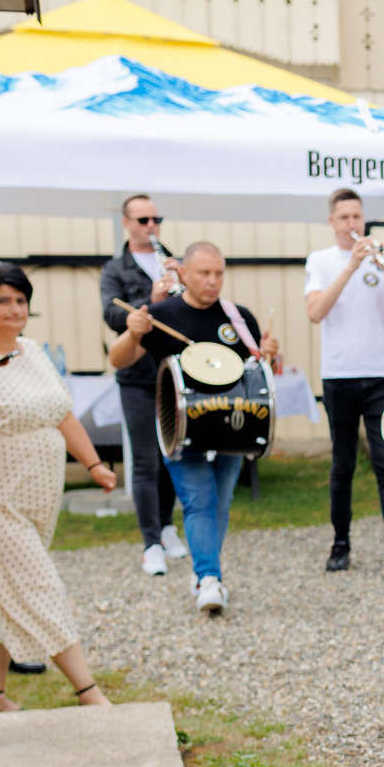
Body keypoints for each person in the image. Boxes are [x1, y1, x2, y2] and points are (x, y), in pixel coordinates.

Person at [0, 262, 117, 712]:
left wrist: (94, 464)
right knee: (39, 586)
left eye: (21, 300)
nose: (15, 309)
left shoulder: (31, 350)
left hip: (39, 494)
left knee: (0, 590)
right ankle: (88, 692)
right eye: (2, 301)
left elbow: (62, 414)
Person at [112, 243, 282, 616]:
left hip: (234, 427)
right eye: (204, 273)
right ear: (184, 274)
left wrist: (270, 352)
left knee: (220, 503)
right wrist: (132, 333)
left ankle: (205, 568)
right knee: (198, 501)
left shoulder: (239, 318)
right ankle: (209, 579)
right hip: (181, 428)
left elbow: (259, 371)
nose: (212, 280)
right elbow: (119, 359)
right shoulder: (160, 314)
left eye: (218, 273)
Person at [305, 188, 384, 581]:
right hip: (339, 375)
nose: (351, 223)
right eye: (344, 217)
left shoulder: (382, 260)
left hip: (381, 374)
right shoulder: (321, 261)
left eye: (356, 216)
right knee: (343, 464)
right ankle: (340, 546)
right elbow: (315, 312)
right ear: (332, 221)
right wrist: (351, 266)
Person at [99, 194, 186, 576]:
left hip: (173, 374)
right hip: (137, 376)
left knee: (172, 455)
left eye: (156, 219)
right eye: (143, 220)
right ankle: (150, 542)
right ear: (126, 223)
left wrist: (184, 282)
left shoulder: (172, 260)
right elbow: (111, 313)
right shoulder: (115, 268)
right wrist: (150, 301)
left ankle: (167, 527)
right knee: (146, 460)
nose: (152, 226)